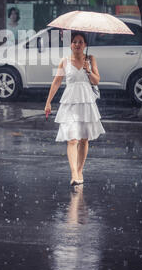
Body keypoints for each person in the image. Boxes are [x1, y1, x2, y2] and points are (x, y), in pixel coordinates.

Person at [44, 31, 105, 186]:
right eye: (75, 42)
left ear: (85, 45)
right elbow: (56, 82)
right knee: (72, 139)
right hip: (70, 103)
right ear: (71, 45)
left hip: (86, 102)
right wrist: (48, 102)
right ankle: (73, 174)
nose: (77, 45)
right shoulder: (64, 62)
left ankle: (79, 170)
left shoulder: (91, 59)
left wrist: (88, 70)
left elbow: (96, 81)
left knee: (84, 139)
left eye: (80, 42)